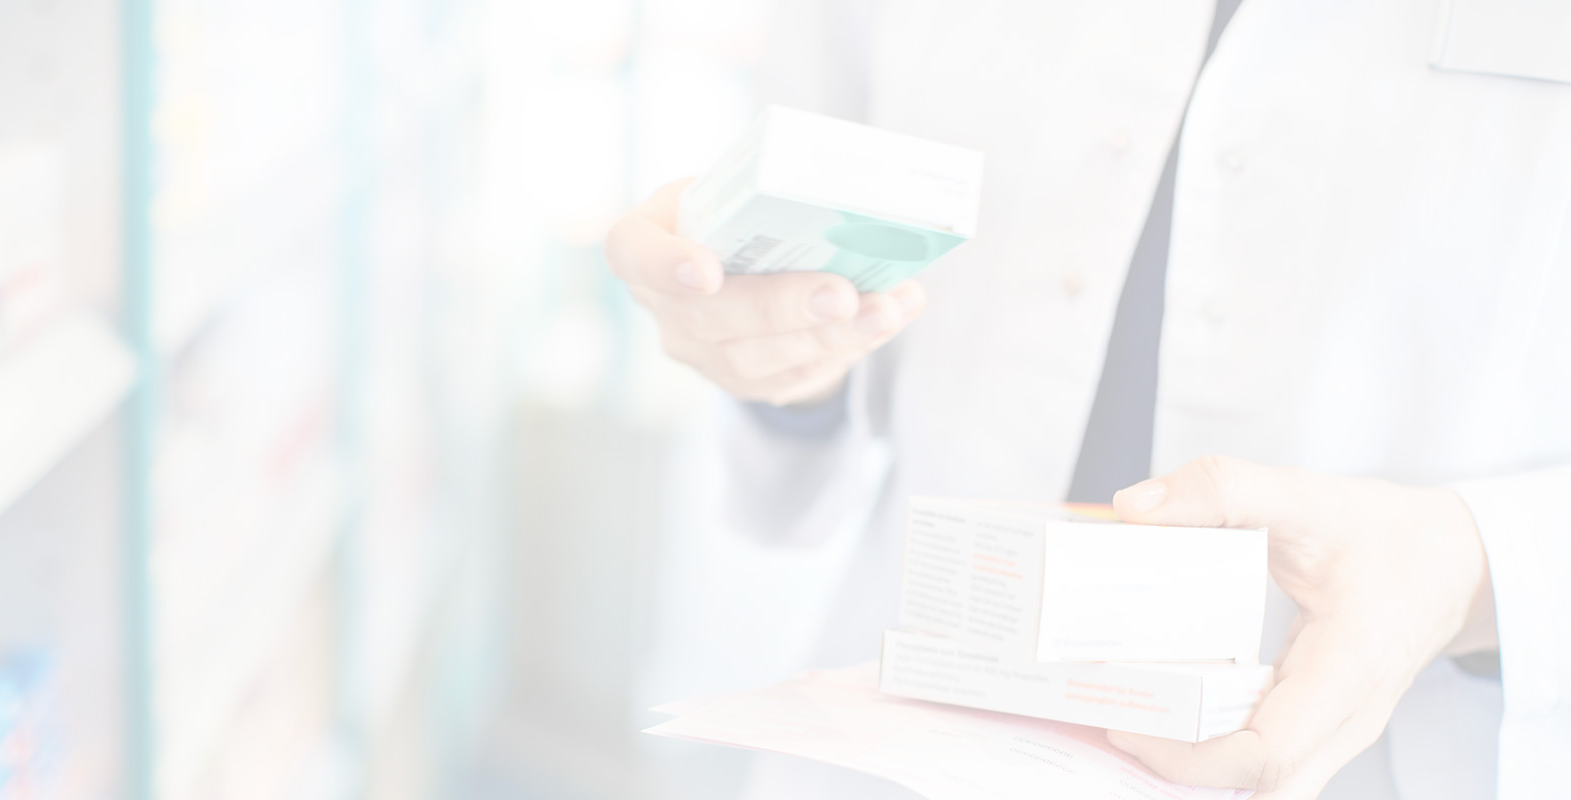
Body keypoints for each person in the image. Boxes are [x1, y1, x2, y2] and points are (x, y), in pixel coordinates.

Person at [606, 1, 1571, 798]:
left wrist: (1481, 570)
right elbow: (819, 262)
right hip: (909, 719)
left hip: (1408, 751)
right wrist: (778, 357)